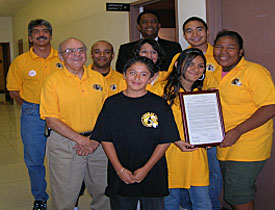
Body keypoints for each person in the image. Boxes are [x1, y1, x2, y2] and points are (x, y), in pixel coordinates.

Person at [92, 56, 195, 210]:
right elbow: (106, 138)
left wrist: (145, 169)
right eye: (132, 73)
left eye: (143, 74)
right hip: (120, 172)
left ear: (151, 78)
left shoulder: (159, 104)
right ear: (124, 75)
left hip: (153, 172)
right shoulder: (112, 103)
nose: (137, 78)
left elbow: (165, 139)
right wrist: (119, 169)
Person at [40, 37, 111, 210]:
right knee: (65, 194)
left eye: (80, 49)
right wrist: (82, 140)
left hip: (98, 141)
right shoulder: (52, 82)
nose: (77, 54)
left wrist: (93, 139)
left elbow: (108, 113)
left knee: (104, 191)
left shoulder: (98, 79)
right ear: (61, 57)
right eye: (70, 51)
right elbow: (51, 119)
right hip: (65, 143)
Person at [209, 30, 275, 210]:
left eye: (230, 48)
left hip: (248, 143)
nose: (223, 52)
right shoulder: (213, 74)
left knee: (238, 194)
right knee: (234, 191)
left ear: (241, 52)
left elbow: (270, 107)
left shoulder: (255, 72)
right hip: (223, 144)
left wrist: (237, 131)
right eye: (219, 47)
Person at [168, 16, 223, 210]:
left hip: (204, 141)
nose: (196, 69)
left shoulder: (218, 57)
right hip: (172, 146)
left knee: (207, 185)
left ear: (208, 32)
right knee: (173, 193)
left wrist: (212, 133)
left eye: (199, 29)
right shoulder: (166, 87)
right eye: (189, 31)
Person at [6, 19, 61, 210]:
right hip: (32, 114)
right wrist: (30, 107)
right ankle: (40, 197)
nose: (41, 34)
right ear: (30, 37)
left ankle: (67, 196)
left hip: (61, 114)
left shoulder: (63, 58)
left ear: (51, 35)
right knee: (34, 159)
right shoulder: (20, 62)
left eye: (45, 31)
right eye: (36, 32)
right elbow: (13, 91)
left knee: (63, 159)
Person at [152, 48, 212, 210]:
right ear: (178, 64)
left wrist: (210, 138)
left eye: (201, 66)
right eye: (190, 64)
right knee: (169, 203)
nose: (196, 69)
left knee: (203, 203)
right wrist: (175, 140)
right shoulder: (161, 90)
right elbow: (152, 123)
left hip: (196, 155)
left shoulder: (203, 92)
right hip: (169, 153)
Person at [116, 11, 182, 73]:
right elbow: (121, 71)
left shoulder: (173, 47)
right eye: (145, 22)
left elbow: (179, 71)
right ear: (138, 27)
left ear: (159, 25)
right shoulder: (126, 49)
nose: (149, 25)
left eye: (153, 22)